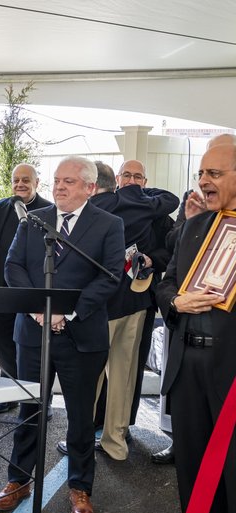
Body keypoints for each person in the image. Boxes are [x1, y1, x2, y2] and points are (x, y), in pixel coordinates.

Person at [0, 156, 124, 513]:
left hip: (82, 336)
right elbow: (12, 266)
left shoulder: (109, 225)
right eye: (57, 180)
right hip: (33, 334)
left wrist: (69, 313)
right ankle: (18, 481)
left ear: (90, 188)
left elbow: (110, 276)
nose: (60, 187)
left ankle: (80, 487)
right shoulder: (34, 220)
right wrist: (37, 308)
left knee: (81, 416)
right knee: (29, 410)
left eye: (69, 181)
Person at [157, 143, 236, 513]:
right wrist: (176, 301)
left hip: (232, 370)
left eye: (215, 172)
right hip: (189, 362)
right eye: (201, 171)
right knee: (192, 461)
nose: (204, 181)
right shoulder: (196, 226)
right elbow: (167, 282)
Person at [73, 161, 177, 461]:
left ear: (145, 180)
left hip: (129, 303)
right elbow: (170, 197)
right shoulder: (139, 203)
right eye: (127, 175)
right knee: (103, 375)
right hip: (104, 305)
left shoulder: (99, 205)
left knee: (120, 375)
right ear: (117, 179)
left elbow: (164, 251)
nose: (132, 181)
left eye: (138, 176)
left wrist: (148, 259)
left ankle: (109, 439)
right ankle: (97, 440)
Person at [0, 163, 51, 413]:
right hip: (1, 289)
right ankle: (10, 391)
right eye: (16, 180)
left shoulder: (48, 209)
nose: (20, 185)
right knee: (1, 339)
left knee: (30, 346)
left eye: (26, 180)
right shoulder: (2, 207)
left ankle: (36, 397)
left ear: (36, 182)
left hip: (30, 291)